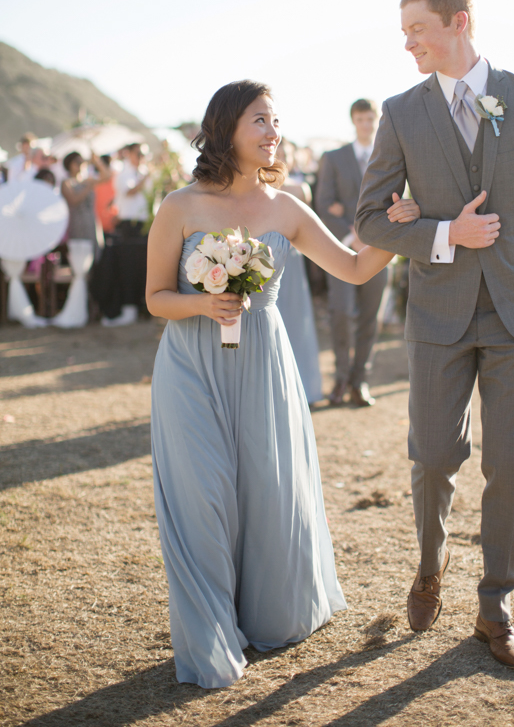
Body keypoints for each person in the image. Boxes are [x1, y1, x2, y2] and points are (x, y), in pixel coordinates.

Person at [355, 0, 514, 671]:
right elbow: (371, 218)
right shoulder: (402, 113)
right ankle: (429, 567)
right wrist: (443, 233)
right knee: (433, 455)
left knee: (508, 463)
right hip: (438, 313)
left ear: (459, 21)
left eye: (417, 29)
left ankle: (496, 607)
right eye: (403, 32)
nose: (407, 43)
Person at [145, 80, 417, 689]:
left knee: (266, 493)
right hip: (190, 367)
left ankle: (262, 614)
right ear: (225, 130)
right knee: (204, 497)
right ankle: (210, 635)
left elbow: (350, 268)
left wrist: (394, 232)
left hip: (263, 365)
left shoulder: (288, 205)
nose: (273, 132)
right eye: (259, 120)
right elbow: (155, 297)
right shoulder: (179, 206)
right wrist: (202, 306)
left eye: (275, 120)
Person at [316, 99, 388, 407]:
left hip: (381, 249)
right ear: (353, 121)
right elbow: (323, 204)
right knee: (342, 314)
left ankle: (361, 382)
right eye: (361, 119)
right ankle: (341, 378)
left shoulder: (389, 155)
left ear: (377, 120)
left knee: (370, 319)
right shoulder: (333, 158)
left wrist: (374, 238)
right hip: (341, 250)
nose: (366, 124)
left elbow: (397, 201)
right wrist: (351, 235)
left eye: (370, 118)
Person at [275, 138, 323, 405]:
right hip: (262, 264)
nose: (280, 157)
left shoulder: (299, 188)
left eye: (285, 153)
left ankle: (303, 386)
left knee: (296, 323)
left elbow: (298, 194)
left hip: (290, 263)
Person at [99, 143, 150, 326]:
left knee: (144, 267)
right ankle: (128, 306)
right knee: (128, 267)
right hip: (128, 225)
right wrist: (145, 179)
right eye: (139, 153)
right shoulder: (123, 175)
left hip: (145, 225)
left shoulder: (145, 174)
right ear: (130, 155)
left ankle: (143, 306)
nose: (142, 157)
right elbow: (129, 191)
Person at [60, 151, 111, 252]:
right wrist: (88, 188)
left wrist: (96, 160)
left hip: (91, 221)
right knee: (80, 253)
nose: (80, 165)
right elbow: (74, 200)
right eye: (77, 162)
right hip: (76, 224)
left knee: (95, 252)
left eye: (82, 162)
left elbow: (106, 176)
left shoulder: (87, 180)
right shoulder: (66, 182)